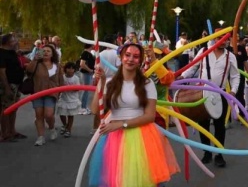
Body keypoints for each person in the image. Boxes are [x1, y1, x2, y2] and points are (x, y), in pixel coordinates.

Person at [89, 44, 179, 186]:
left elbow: (149, 116)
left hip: (141, 136)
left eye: (136, 56)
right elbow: (95, 109)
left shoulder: (147, 84)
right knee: (118, 180)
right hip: (113, 138)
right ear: (121, 57)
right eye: (128, 55)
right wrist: (101, 83)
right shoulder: (110, 82)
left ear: (141, 60)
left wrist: (121, 124)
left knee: (140, 179)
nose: (131, 59)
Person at [180, 37, 240, 167]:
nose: (223, 42)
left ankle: (219, 154)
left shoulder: (230, 56)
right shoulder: (204, 51)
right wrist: (181, 76)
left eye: (226, 39)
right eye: (220, 39)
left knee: (219, 126)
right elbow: (192, 67)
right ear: (215, 39)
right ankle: (207, 152)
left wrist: (233, 91)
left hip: (221, 93)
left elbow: (235, 76)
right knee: (203, 124)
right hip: (202, 93)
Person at [26, 44, 64, 146]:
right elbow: (28, 70)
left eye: (48, 51)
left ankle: (52, 128)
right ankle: (40, 137)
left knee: (49, 114)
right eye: (44, 51)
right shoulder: (37, 64)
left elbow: (61, 80)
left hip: (51, 93)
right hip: (37, 92)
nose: (46, 52)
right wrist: (34, 59)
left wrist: (60, 92)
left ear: (52, 54)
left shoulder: (57, 65)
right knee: (39, 115)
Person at [0, 34, 25, 142]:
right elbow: (2, 72)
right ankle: (4, 133)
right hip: (9, 84)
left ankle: (12, 130)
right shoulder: (1, 53)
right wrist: (7, 88)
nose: (16, 41)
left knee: (14, 107)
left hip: (17, 83)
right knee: (6, 109)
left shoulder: (12, 52)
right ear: (7, 42)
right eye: (13, 40)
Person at [57, 62, 81, 137]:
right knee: (61, 113)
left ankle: (69, 129)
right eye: (68, 68)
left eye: (72, 68)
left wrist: (70, 88)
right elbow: (59, 86)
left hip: (72, 99)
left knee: (71, 115)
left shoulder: (76, 78)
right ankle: (65, 125)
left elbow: (78, 88)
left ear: (74, 70)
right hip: (63, 98)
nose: (70, 70)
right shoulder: (63, 77)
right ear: (65, 69)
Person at [79, 42, 96, 115]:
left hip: (88, 73)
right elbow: (82, 64)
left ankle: (84, 106)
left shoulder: (89, 53)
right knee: (85, 90)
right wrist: (90, 70)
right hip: (86, 73)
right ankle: (82, 107)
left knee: (87, 90)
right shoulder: (85, 53)